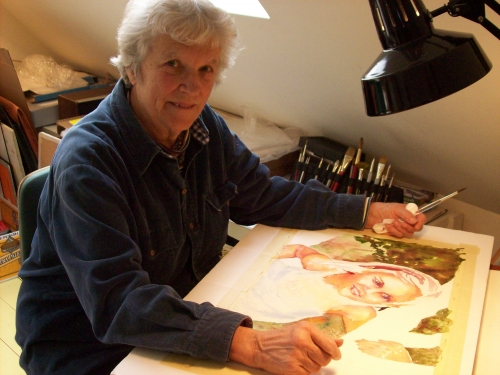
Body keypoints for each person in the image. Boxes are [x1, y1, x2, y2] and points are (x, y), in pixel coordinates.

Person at [15, 1, 426, 374]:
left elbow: (264, 196)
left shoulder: (204, 127)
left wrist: (365, 211)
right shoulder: (89, 159)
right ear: (132, 67)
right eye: (172, 64)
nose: (192, 87)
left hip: (178, 316)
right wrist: (249, 343)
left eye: (205, 69)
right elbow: (120, 303)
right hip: (87, 347)